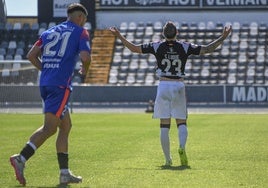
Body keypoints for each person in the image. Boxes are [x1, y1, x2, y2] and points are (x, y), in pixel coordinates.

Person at [109, 21, 232, 167]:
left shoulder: (157, 45)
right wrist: (223, 37)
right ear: (177, 33)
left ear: (163, 34)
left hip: (163, 85)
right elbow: (207, 49)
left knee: (164, 125)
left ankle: (168, 159)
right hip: (178, 85)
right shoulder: (185, 46)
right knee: (181, 121)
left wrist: (119, 36)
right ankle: (182, 146)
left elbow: (134, 48)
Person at [10, 3, 91, 186]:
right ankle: (20, 158)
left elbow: (31, 55)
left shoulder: (48, 32)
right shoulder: (80, 32)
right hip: (60, 86)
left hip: (46, 83)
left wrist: (47, 70)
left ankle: (64, 173)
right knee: (49, 128)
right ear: (80, 18)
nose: (84, 23)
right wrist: (84, 71)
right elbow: (86, 58)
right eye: (84, 20)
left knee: (66, 126)